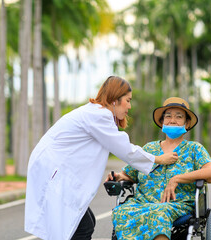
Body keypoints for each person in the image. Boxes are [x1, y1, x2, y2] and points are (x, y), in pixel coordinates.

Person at [24, 76, 178, 240]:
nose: (130, 106)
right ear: (115, 99)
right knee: (80, 228)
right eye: (127, 100)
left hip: (54, 169)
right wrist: (159, 159)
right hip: (54, 171)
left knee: (84, 223)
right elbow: (124, 148)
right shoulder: (99, 115)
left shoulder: (96, 113)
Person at [106, 97, 211, 240]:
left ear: (187, 123)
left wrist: (177, 178)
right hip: (142, 202)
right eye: (168, 116)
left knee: (159, 213)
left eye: (179, 117)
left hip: (176, 204)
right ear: (162, 121)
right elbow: (131, 173)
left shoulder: (194, 149)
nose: (172, 120)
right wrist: (119, 176)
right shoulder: (149, 148)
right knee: (121, 211)